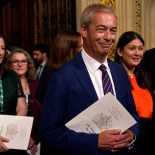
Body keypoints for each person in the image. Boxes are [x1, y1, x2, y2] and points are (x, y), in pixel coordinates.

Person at [39, 4, 139, 155]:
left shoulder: (119, 72)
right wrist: (94, 142)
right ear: (84, 31)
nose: (108, 37)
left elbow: (132, 113)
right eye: (101, 29)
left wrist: (131, 134)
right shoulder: (62, 77)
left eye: (112, 31)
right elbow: (48, 132)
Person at [115, 31, 155, 154]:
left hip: (149, 137)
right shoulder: (114, 76)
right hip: (129, 137)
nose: (137, 53)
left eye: (140, 49)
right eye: (132, 48)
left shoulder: (144, 77)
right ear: (120, 52)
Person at [7, 48, 42, 155]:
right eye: (15, 61)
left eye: (23, 61)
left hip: (38, 137)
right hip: (12, 138)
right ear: (9, 65)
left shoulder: (36, 84)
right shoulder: (5, 86)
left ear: (28, 64)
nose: (20, 64)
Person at [36, 30, 83, 104]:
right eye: (80, 46)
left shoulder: (79, 69)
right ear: (69, 49)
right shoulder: (51, 74)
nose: (83, 50)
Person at [0, 35, 28, 155]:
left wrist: (12, 129)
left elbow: (22, 106)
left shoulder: (11, 75)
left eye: (2, 48)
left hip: (11, 140)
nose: (0, 52)